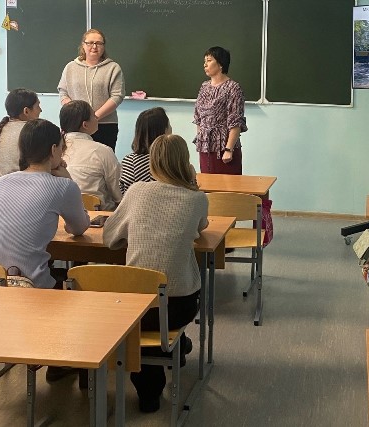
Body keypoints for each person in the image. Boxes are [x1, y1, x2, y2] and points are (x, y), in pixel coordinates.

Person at [103, 134, 208, 413]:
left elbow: (109, 238)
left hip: (137, 307)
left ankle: (149, 392)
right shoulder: (197, 199)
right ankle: (176, 346)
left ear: (153, 162)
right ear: (185, 161)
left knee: (143, 323)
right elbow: (201, 228)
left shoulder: (137, 191)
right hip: (180, 306)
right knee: (164, 319)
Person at [0, 119, 89, 288]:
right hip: (31, 287)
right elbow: (79, 228)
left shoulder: (0, 182)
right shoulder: (63, 186)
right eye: (61, 148)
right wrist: (68, 179)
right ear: (53, 150)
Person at [58, 28, 125, 151]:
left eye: (99, 43)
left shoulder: (113, 68)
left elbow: (117, 96)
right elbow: (63, 92)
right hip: (76, 126)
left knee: (103, 158)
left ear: (103, 46)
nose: (94, 46)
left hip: (105, 126)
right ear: (83, 45)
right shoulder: (70, 67)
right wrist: (76, 116)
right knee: (74, 158)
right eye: (90, 43)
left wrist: (93, 118)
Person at [193, 46, 247, 174]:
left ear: (220, 64)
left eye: (209, 60)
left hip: (225, 149)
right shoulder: (204, 87)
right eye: (204, 61)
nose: (205, 64)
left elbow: (236, 121)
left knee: (228, 185)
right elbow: (198, 118)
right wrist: (201, 140)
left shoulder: (233, 88)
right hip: (205, 148)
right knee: (207, 185)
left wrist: (229, 149)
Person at [59, 100, 122, 210]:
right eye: (94, 115)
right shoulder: (103, 151)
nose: (96, 118)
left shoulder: (54, 151)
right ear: (85, 125)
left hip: (62, 215)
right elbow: (119, 194)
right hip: (98, 216)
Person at [0, 88, 41, 178]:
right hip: (14, 185)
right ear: (26, 111)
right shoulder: (32, 132)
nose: (40, 110)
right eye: (38, 106)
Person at [119, 107, 171, 195]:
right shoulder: (171, 161)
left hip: (134, 203)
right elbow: (187, 192)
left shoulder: (128, 161)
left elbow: (122, 193)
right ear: (164, 131)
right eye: (169, 125)